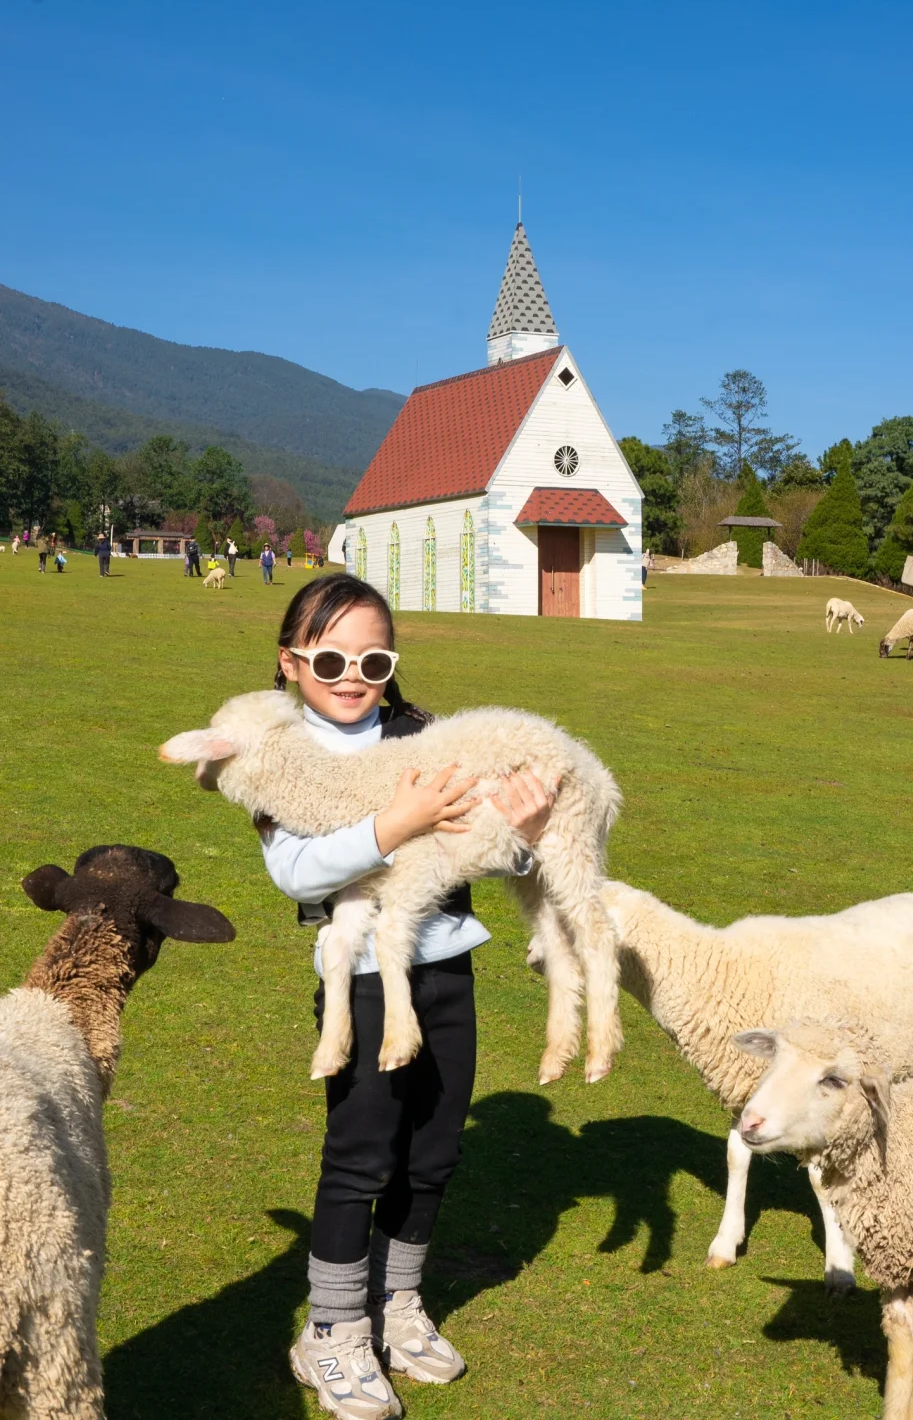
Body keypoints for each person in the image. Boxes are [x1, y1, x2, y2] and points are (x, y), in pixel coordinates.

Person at [261, 576, 554, 1418]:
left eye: (374, 659)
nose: (353, 674)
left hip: (446, 962)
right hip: (358, 976)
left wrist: (526, 838)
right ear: (291, 661)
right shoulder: (284, 752)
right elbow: (295, 870)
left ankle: (398, 1306)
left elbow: (484, 850)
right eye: (330, 658)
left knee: (434, 1146)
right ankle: (333, 1331)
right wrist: (396, 820)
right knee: (361, 1156)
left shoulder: (426, 735)